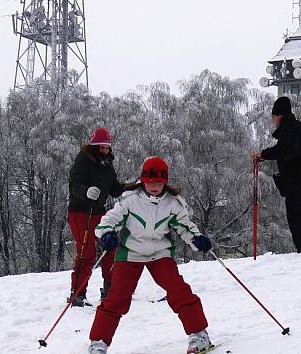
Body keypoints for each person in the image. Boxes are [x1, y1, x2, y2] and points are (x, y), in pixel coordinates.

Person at [87, 157, 213, 354]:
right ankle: (98, 343)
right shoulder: (130, 200)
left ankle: (199, 334)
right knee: (117, 297)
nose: (154, 186)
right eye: (150, 181)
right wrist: (107, 234)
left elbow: (185, 226)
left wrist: (197, 238)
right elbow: (107, 221)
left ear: (165, 182)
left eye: (159, 182)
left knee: (178, 290)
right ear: (143, 180)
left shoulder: (173, 203)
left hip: (160, 253)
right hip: (130, 253)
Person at [251, 96, 301, 254]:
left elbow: (287, 150)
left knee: (299, 220)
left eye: (273, 117)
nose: (273, 121)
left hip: (298, 185)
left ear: (278, 116)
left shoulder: (288, 130)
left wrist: (263, 154)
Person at [67, 128, 125, 307]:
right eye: (102, 147)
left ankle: (110, 289)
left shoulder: (107, 163)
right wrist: (86, 192)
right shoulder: (83, 160)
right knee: (87, 253)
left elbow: (114, 189)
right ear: (94, 146)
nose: (106, 150)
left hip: (99, 212)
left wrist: (133, 186)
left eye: (108, 147)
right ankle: (77, 294)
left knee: (110, 248)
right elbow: (75, 185)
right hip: (80, 212)